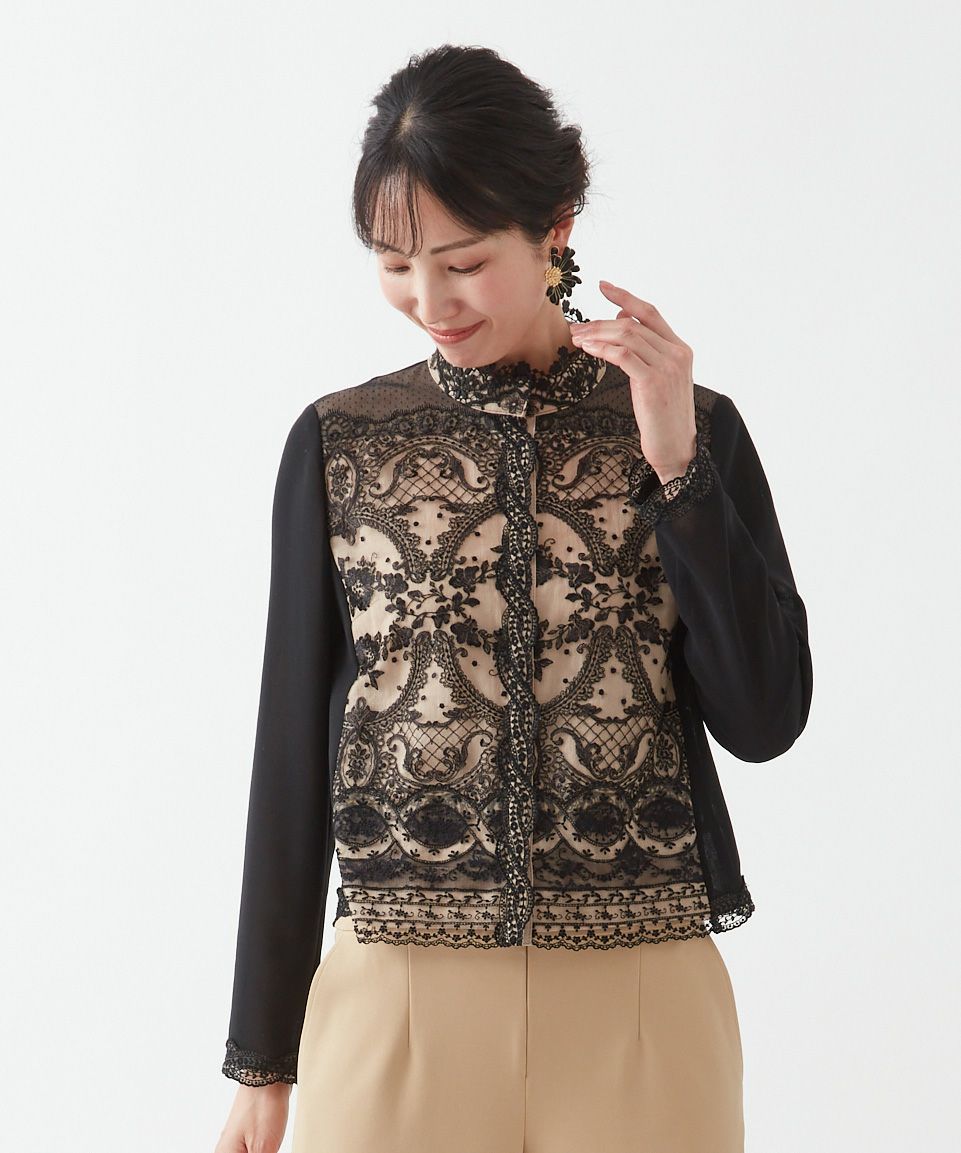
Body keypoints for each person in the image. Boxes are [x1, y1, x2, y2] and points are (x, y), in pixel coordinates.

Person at [214, 43, 813, 1153]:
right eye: (395, 263)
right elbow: (289, 750)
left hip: (642, 1004)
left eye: (463, 261)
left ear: (556, 228)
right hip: (394, 1002)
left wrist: (677, 470)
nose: (427, 300)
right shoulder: (341, 445)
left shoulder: (691, 428)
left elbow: (766, 717)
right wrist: (263, 1058)